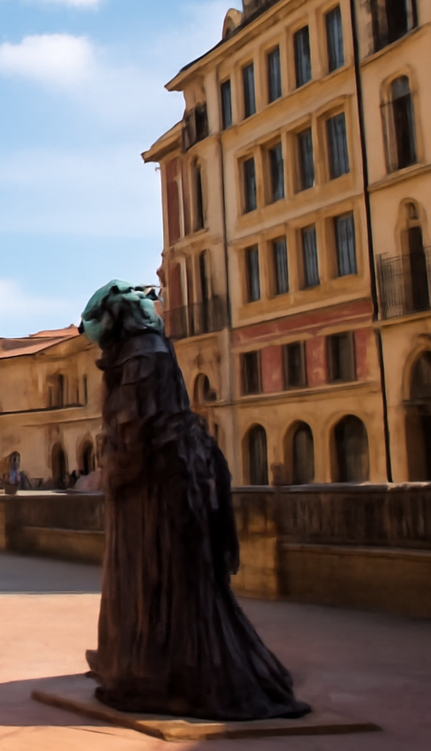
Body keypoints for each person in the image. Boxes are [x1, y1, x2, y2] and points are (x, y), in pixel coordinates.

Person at [80, 279, 306, 720]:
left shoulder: (142, 355)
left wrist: (113, 471)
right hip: (168, 479)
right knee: (169, 581)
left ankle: (166, 669)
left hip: (163, 485)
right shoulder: (149, 350)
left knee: (164, 577)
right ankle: (152, 663)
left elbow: (135, 430)